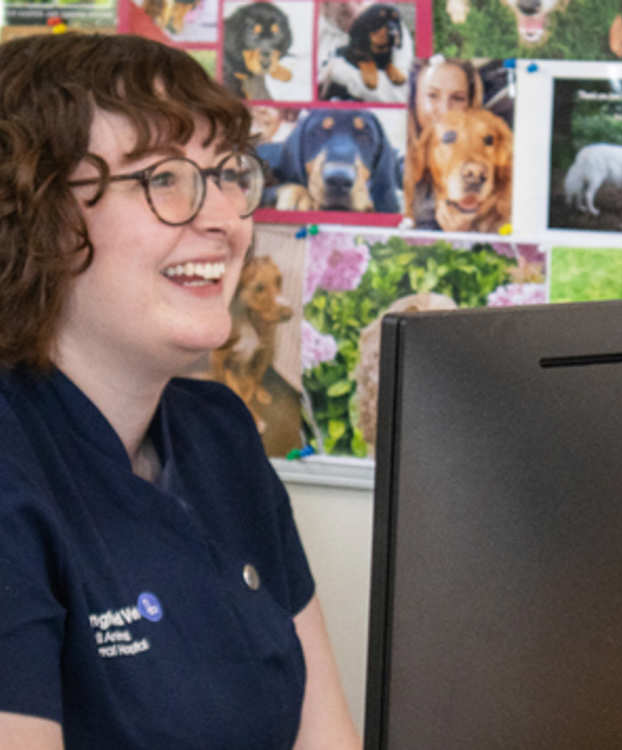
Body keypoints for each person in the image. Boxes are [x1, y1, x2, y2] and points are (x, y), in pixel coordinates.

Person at [0, 32, 361, 750]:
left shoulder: (220, 431)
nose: (225, 220)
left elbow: (328, 739)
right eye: (163, 177)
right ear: (36, 214)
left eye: (230, 173)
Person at [404, 55, 483, 229]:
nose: (445, 110)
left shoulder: (482, 172)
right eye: (432, 95)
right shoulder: (392, 159)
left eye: (457, 98)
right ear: (413, 99)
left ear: (470, 105)